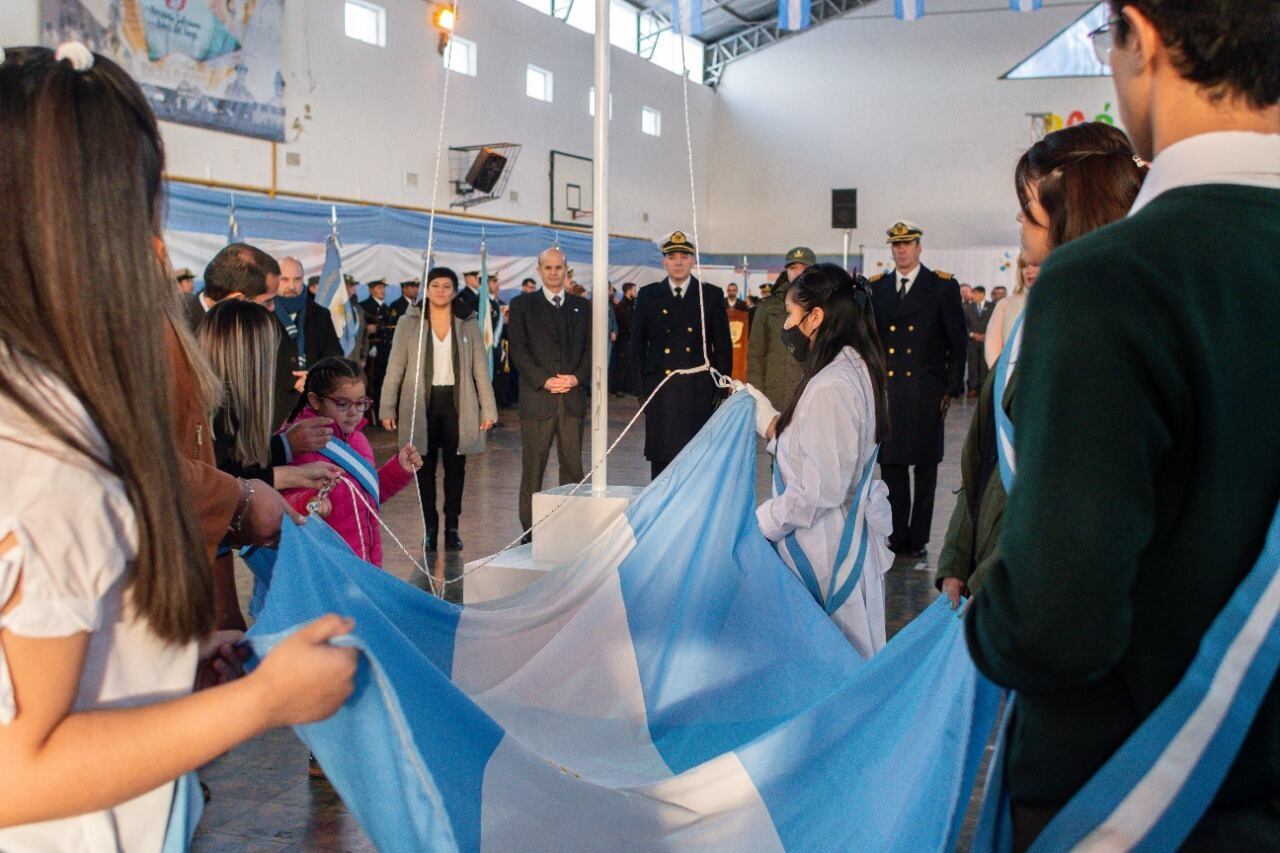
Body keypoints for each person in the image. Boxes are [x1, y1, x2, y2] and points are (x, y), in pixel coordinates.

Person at [0, 43, 355, 850]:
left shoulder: (36, 401)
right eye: (146, 214)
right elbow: (16, 767)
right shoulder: (49, 452)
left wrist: (156, 673)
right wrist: (261, 703)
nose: (157, 250)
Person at [967, 0, 1280, 845]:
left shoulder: (1108, 283)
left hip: (1135, 796)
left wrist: (982, 622)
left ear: (1140, 38)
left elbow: (1055, 622)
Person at [936, 122, 1145, 617]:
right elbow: (987, 454)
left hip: (1032, 602)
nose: (1018, 220)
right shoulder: (1041, 313)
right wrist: (958, 554)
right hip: (991, 578)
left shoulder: (1101, 337)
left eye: (1028, 213)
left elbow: (1069, 510)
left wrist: (995, 586)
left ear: (1072, 221)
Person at [747, 264, 894, 658]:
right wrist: (769, 424)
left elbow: (819, 489)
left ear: (816, 317)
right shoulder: (851, 368)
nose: (788, 326)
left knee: (835, 663)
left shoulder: (831, 384)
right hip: (835, 537)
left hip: (826, 548)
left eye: (793, 315)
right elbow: (821, 450)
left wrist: (762, 523)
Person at [196, 300, 341, 628]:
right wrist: (284, 474)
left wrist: (285, 454)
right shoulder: (208, 415)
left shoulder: (217, 408)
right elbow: (215, 481)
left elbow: (231, 468)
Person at [867, 220, 967, 560]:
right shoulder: (877, 289)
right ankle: (897, 535)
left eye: (907, 244)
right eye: (896, 245)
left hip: (926, 391)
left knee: (926, 468)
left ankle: (919, 537)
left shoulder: (940, 287)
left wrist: (950, 389)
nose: (901, 250)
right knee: (892, 466)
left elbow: (958, 342)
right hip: (891, 391)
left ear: (919, 247)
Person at [380, 268, 497, 552]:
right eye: (435, 285)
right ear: (427, 289)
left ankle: (452, 528)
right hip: (420, 405)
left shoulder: (467, 321)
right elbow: (395, 367)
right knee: (423, 469)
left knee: (457, 470)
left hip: (458, 404)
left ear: (454, 290)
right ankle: (430, 529)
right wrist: (387, 406)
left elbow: (481, 369)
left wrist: (488, 410)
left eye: (447, 286)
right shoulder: (411, 322)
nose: (441, 291)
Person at [280, 358, 422, 568]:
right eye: (343, 404)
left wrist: (398, 470)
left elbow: (367, 497)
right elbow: (277, 503)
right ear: (315, 400)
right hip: (324, 568)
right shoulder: (299, 444)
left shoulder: (358, 441)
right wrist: (307, 503)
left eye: (361, 404)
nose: (353, 412)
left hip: (365, 564)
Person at [630, 231, 733, 479]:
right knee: (662, 467)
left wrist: (720, 390)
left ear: (692, 261)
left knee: (698, 465)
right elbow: (636, 347)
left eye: (684, 256)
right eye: (672, 256)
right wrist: (642, 392)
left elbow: (723, 347)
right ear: (664, 262)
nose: (678, 262)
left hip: (698, 394)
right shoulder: (648, 295)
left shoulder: (709, 295)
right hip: (661, 393)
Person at [507, 247, 591, 535]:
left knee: (572, 469)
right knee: (533, 470)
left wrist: (577, 378)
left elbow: (592, 350)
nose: (554, 272)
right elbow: (517, 350)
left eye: (559, 267)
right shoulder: (521, 305)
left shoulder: (583, 306)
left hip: (572, 400)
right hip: (537, 400)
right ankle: (530, 535)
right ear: (539, 269)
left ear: (566, 269)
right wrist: (543, 380)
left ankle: (571, 531)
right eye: (548, 267)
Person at [748, 248, 813, 413]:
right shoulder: (768, 306)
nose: (798, 273)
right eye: (793, 268)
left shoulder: (822, 307)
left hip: (809, 396)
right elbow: (756, 355)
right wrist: (757, 395)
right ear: (786, 271)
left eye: (804, 268)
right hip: (773, 396)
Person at [275, 256, 342, 378]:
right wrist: (291, 382)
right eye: (285, 279)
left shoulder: (321, 315)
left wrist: (314, 377)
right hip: (274, 394)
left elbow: (334, 356)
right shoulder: (263, 314)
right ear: (275, 280)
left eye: (297, 279)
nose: (291, 286)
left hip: (312, 391)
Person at [984, 254, 1039, 367]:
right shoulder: (1005, 304)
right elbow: (992, 350)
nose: (1029, 270)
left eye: (1035, 265)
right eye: (1024, 266)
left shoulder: (1062, 302)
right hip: (1012, 379)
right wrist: (1003, 378)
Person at [360, 279, 396, 422]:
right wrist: (370, 344)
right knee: (373, 383)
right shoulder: (365, 307)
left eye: (383, 288)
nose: (382, 290)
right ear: (371, 290)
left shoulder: (386, 307)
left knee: (384, 382)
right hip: (371, 353)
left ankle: (383, 415)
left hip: (386, 351)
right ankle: (372, 415)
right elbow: (361, 330)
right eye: (379, 287)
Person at [963, 285, 992, 397]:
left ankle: (983, 388)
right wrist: (972, 334)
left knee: (984, 365)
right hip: (972, 341)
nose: (972, 296)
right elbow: (963, 324)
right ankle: (972, 388)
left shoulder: (992, 306)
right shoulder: (967, 308)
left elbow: (995, 322)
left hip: (987, 340)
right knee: (972, 365)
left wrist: (987, 334)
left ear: (981, 294)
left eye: (974, 294)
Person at [610, 282, 638, 395]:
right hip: (624, 340)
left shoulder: (631, 305)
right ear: (629, 291)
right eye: (634, 291)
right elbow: (626, 323)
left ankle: (627, 388)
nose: (636, 293)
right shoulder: (622, 306)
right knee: (622, 364)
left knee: (629, 364)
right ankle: (619, 388)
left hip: (629, 339)